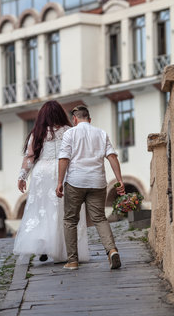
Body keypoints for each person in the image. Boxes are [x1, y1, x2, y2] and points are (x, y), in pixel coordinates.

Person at [13, 101, 89, 263]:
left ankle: (44, 247)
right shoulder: (70, 131)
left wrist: (22, 176)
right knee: (65, 212)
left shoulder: (38, 132)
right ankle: (65, 249)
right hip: (65, 171)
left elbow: (30, 156)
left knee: (42, 211)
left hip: (42, 174)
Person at [56, 104, 125, 270]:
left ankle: (72, 261)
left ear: (74, 119)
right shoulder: (101, 133)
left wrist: (59, 182)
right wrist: (119, 180)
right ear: (89, 119)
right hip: (98, 182)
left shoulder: (70, 133)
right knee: (100, 218)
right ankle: (112, 250)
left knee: (70, 220)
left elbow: (64, 159)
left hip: (75, 182)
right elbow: (112, 156)